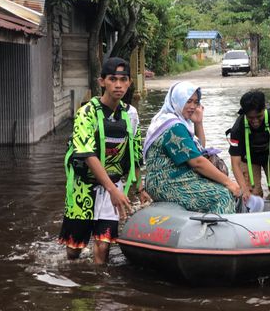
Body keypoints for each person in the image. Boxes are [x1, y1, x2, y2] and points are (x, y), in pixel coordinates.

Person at [58, 57, 149, 264]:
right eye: (112, 79)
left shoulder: (131, 114)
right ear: (102, 82)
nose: (118, 85)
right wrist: (113, 191)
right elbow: (87, 153)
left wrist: (140, 189)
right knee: (74, 252)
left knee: (103, 246)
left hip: (113, 187)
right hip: (84, 188)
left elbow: (134, 154)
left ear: (129, 82)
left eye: (123, 79)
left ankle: (101, 293)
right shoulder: (86, 113)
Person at [144, 81, 240, 214]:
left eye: (196, 102)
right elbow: (197, 162)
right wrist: (229, 183)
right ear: (177, 100)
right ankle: (216, 234)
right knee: (223, 195)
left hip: (177, 178)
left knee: (220, 185)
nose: (193, 106)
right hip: (166, 182)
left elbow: (197, 151)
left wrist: (198, 123)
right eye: (188, 101)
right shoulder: (173, 126)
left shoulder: (175, 121)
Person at [227, 90, 270, 205]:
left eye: (259, 116)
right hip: (248, 159)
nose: (255, 121)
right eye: (250, 118)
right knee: (251, 196)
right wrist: (244, 189)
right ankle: (257, 200)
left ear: (264, 109)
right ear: (244, 114)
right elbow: (235, 163)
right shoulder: (238, 128)